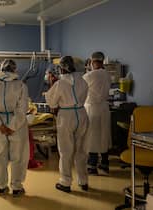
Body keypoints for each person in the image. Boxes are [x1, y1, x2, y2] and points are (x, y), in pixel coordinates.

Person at [44, 56, 89, 193]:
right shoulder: (83, 81)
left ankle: (65, 182)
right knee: (81, 150)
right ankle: (83, 181)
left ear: (62, 68)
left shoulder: (60, 84)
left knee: (65, 150)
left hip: (66, 116)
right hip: (81, 114)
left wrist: (52, 85)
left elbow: (52, 103)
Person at [0, 59, 29, 197]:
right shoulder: (21, 86)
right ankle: (16, 187)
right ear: (15, 70)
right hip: (17, 126)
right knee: (19, 157)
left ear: (2, 69)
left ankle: (2, 187)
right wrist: (12, 127)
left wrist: (0, 125)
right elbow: (22, 110)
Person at [83, 51, 112, 175]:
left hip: (92, 108)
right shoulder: (107, 74)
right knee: (104, 136)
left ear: (93, 62)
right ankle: (105, 165)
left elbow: (80, 88)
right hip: (104, 109)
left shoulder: (89, 76)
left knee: (92, 138)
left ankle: (92, 166)